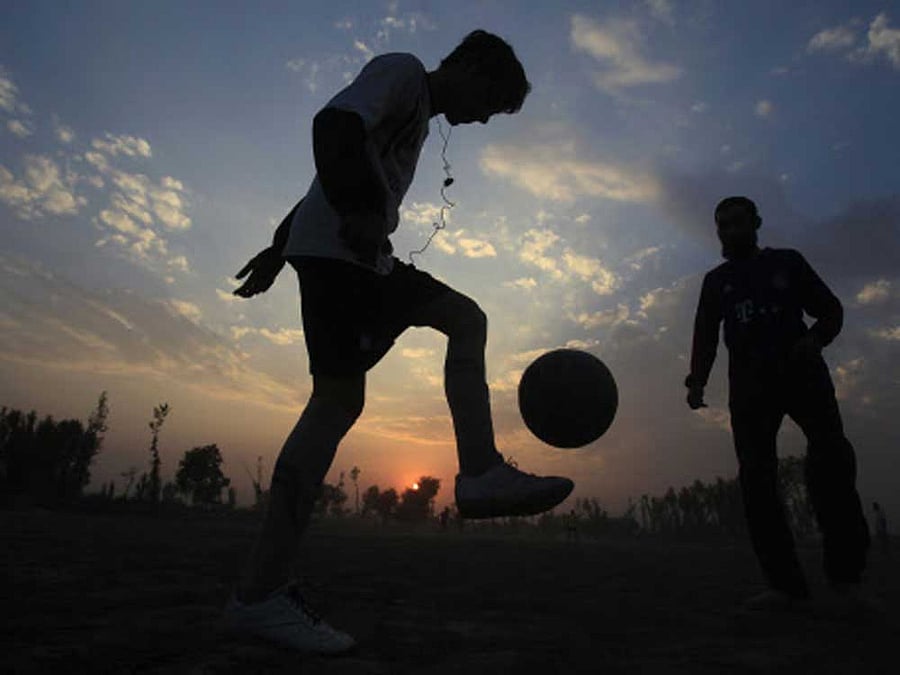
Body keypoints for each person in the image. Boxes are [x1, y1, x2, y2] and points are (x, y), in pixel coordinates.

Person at [223, 30, 574, 654]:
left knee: (366, 385)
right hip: (347, 259)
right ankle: (261, 593)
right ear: (471, 67)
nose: (486, 117)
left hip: (346, 256)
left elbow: (321, 176)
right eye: (492, 100)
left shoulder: (409, 116)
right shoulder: (405, 73)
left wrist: (280, 249)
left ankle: (262, 589)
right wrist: (357, 212)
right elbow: (332, 122)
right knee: (387, 371)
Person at [685, 196, 870, 612]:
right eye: (722, 225)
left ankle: (846, 578)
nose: (729, 231)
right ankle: (784, 586)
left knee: (832, 463)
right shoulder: (716, 282)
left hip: (803, 376)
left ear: (756, 223)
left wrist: (814, 340)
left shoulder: (787, 262)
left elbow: (831, 311)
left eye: (736, 222)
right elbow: (704, 336)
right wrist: (697, 381)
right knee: (757, 481)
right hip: (750, 388)